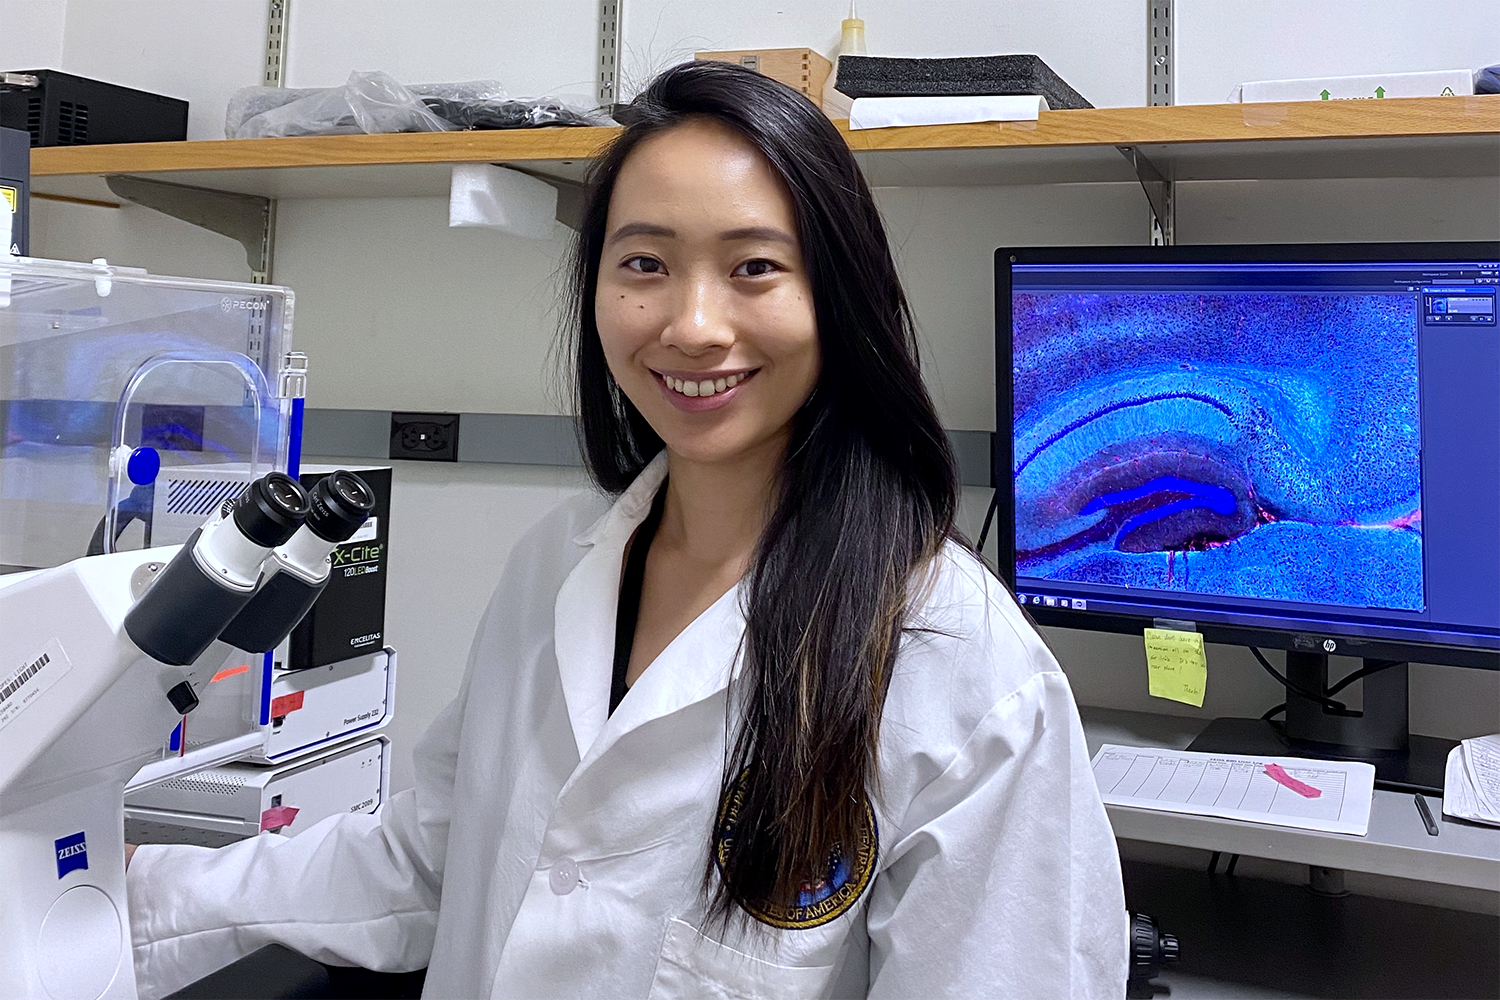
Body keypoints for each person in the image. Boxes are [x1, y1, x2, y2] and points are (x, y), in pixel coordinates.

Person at [126, 61, 1126, 999]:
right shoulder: (552, 569)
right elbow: (422, 862)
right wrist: (118, 897)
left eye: (754, 268)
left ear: (840, 298)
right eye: (645, 262)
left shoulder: (961, 665)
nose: (692, 323)